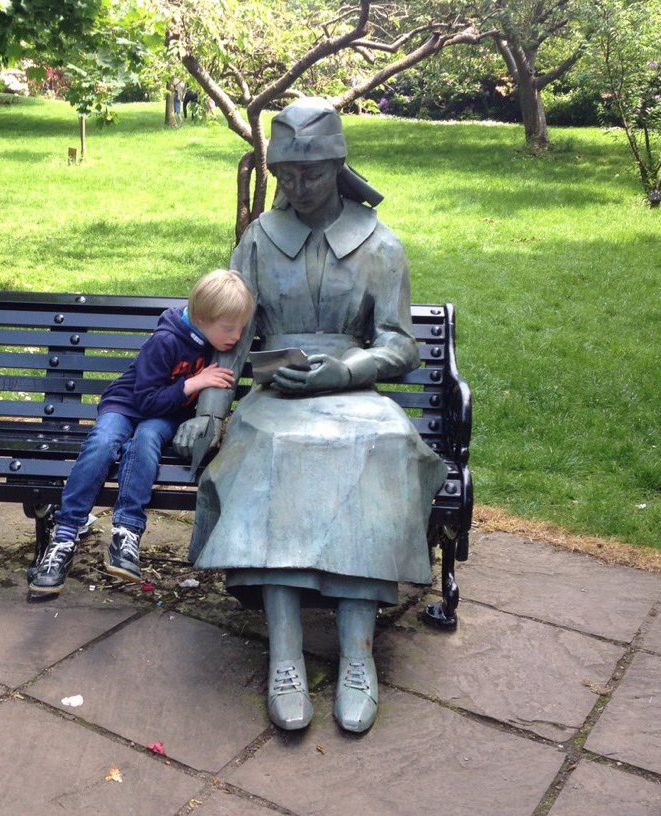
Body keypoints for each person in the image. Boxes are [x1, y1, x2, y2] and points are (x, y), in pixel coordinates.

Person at [174, 97, 448, 734]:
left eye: (313, 174)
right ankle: (286, 653)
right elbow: (231, 338)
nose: (299, 187)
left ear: (339, 167)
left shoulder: (379, 244)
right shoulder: (258, 242)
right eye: (287, 175)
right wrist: (212, 411)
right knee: (267, 453)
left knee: (382, 448)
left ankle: (357, 655)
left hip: (355, 397)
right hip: (275, 401)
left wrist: (344, 371)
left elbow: (399, 344)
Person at [28, 270, 255, 597]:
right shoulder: (165, 341)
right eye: (229, 328)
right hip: (128, 405)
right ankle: (64, 536)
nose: (237, 336)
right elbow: (145, 400)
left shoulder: (215, 341)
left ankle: (126, 534)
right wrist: (193, 383)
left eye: (241, 327)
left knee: (146, 441)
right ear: (202, 319)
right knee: (103, 443)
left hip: (164, 415)